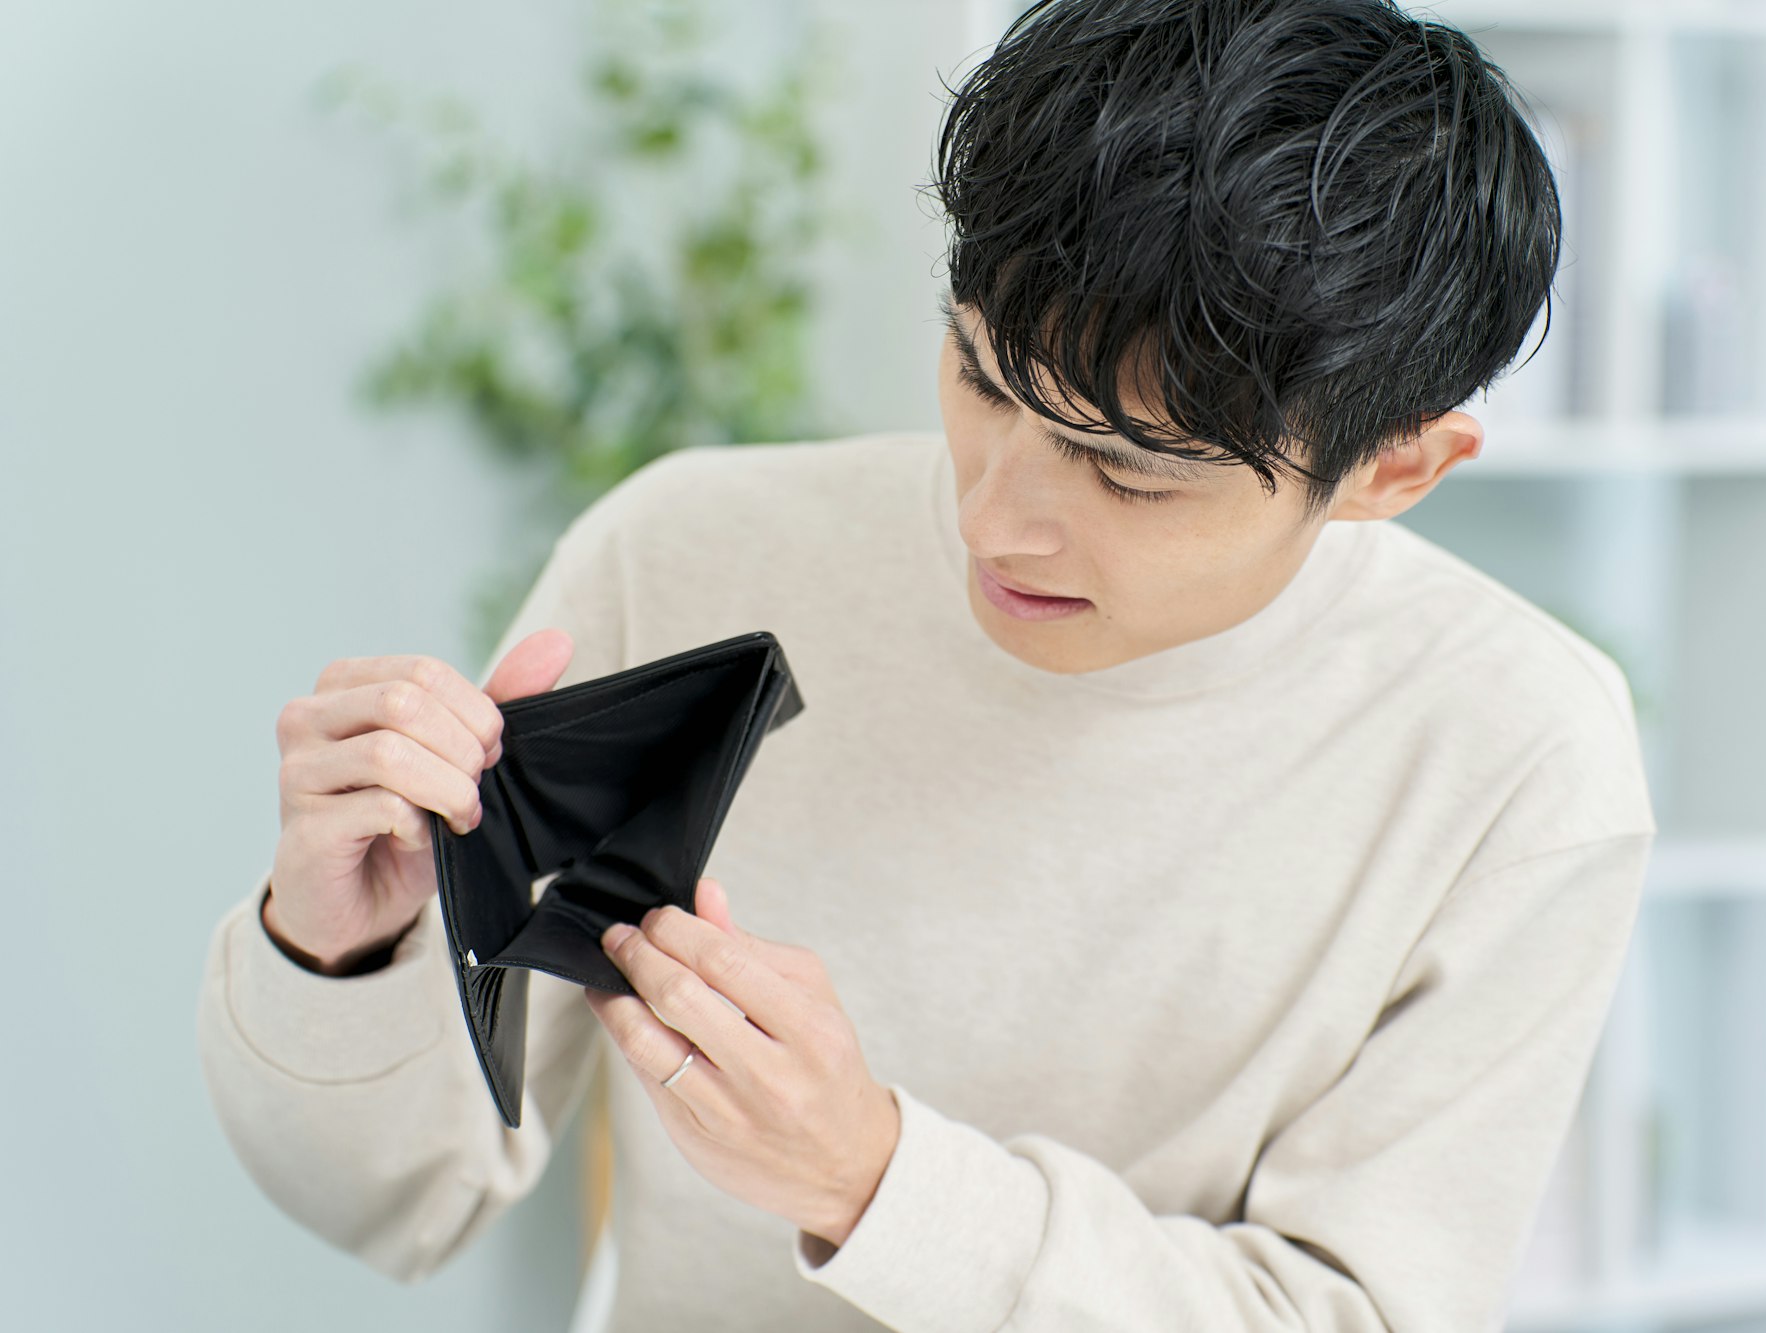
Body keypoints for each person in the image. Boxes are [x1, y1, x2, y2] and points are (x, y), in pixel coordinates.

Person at [196, 2, 1657, 1329]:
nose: (992, 514)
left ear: (1395, 467)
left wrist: (876, 1182)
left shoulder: (1518, 753)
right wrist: (335, 948)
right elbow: (400, 1201)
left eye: (1124, 469)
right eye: (978, 372)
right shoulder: (692, 550)